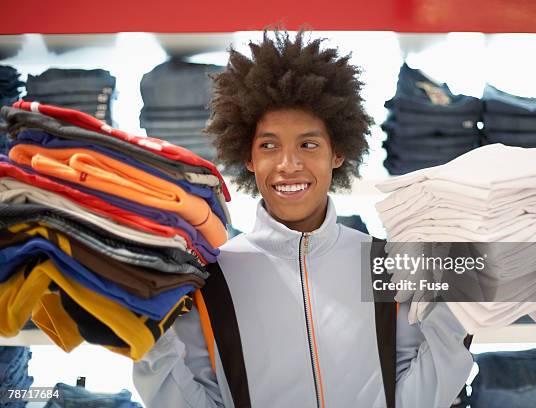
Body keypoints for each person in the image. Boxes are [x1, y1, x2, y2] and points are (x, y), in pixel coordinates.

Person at [133, 30, 472, 408]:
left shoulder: (386, 264)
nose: (288, 164)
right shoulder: (214, 276)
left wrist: (460, 304)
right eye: (268, 145)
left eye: (308, 145)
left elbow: (424, 384)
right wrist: (146, 340)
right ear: (247, 157)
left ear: (338, 152)